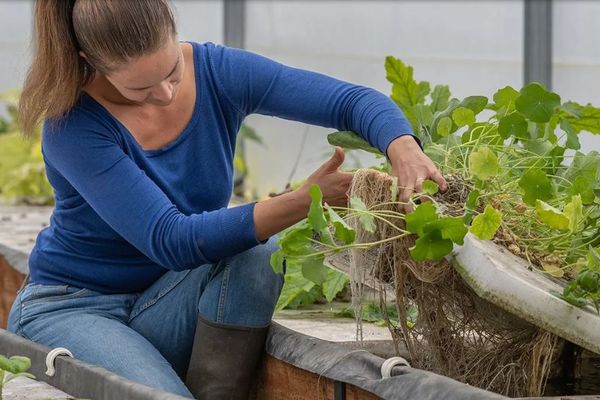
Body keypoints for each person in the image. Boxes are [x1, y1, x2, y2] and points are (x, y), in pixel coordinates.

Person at [7, 0, 447, 399]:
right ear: (92, 63)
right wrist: (306, 199)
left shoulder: (217, 72)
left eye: (172, 72)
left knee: (260, 253)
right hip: (73, 307)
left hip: (164, 300)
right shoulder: (73, 125)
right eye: (140, 90)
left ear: (171, 26)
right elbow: (171, 239)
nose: (165, 94)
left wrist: (402, 146)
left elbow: (349, 100)